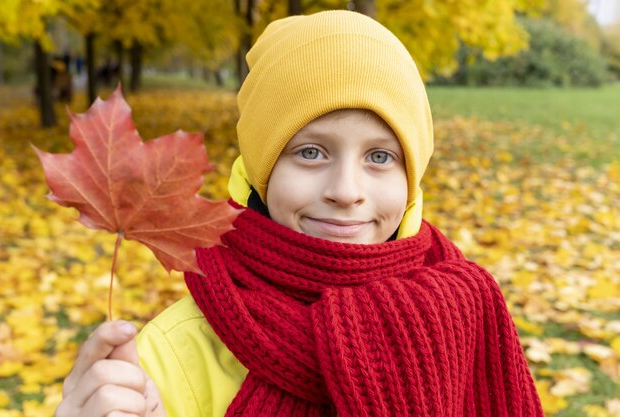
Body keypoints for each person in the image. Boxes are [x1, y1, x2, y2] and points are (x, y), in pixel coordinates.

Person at [55, 10, 544, 417]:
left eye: (380, 157)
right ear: (262, 168)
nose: (346, 191)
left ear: (411, 178)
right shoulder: (171, 358)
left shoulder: (464, 317)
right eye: (311, 152)